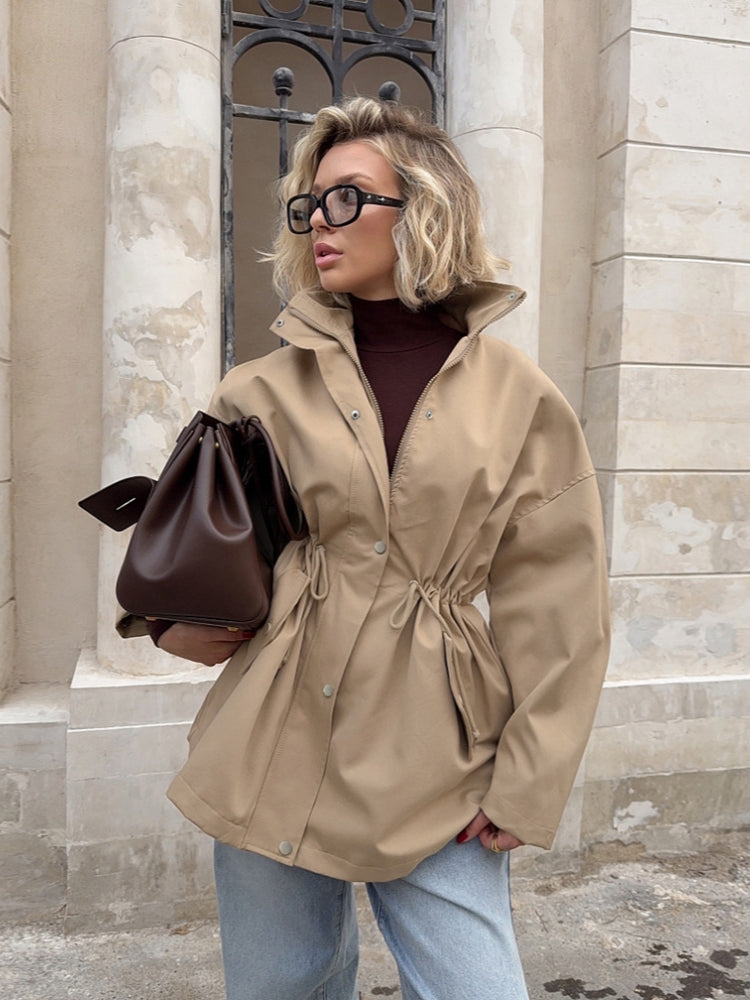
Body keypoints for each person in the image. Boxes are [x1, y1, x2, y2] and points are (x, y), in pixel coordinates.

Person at [152, 98, 610, 1000]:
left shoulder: (519, 396)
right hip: (274, 738)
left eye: (347, 197)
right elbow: (199, 544)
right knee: (281, 988)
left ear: (424, 208)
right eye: (309, 205)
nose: (319, 223)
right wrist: (177, 617)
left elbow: (561, 601)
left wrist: (530, 780)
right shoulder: (258, 389)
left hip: (437, 750)